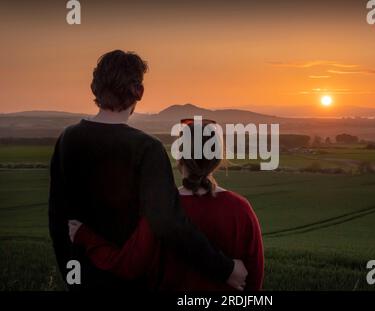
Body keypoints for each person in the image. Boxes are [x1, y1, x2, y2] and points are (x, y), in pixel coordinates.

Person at [48, 50, 247, 290]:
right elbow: (169, 224)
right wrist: (225, 269)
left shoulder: (68, 139)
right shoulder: (147, 149)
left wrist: (73, 278)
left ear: (95, 88)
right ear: (138, 92)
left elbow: (57, 219)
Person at [69, 120, 264, 290]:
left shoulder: (160, 209)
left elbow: (128, 265)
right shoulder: (240, 209)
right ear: (217, 159)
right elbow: (253, 283)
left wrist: (85, 237)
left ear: (179, 158)